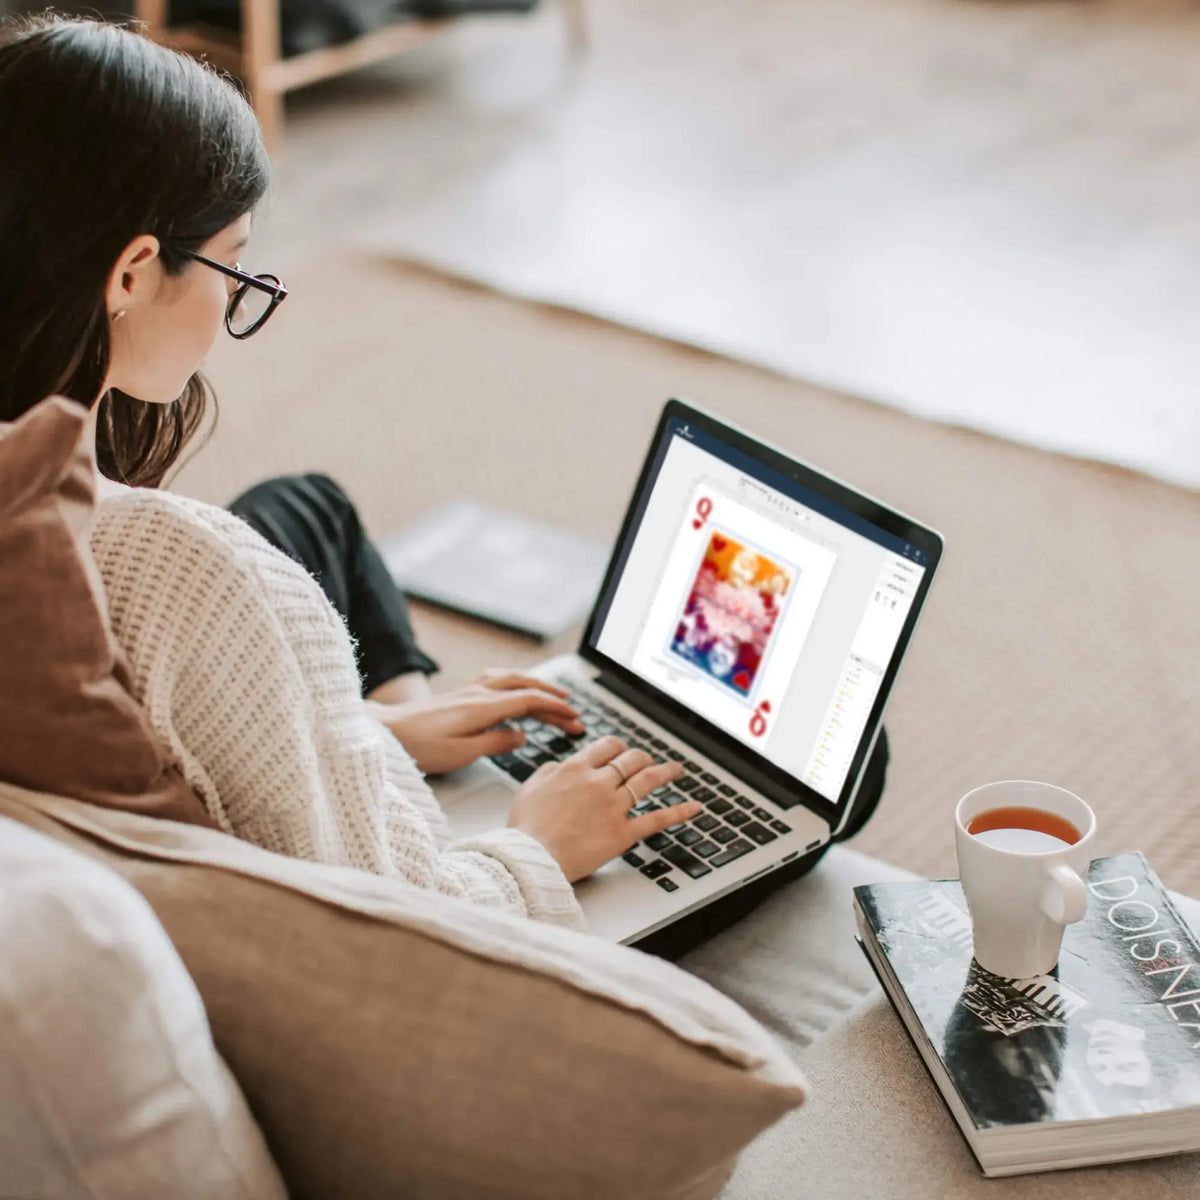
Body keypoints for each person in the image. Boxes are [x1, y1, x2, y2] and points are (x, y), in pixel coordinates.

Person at [0, 13, 885, 935]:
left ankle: (406, 707)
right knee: (857, 762)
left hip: (283, 717)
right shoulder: (193, 570)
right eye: (233, 265)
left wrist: (374, 739)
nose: (234, 302)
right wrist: (541, 844)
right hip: (460, 905)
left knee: (307, 507)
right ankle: (416, 735)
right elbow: (390, 925)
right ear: (135, 273)